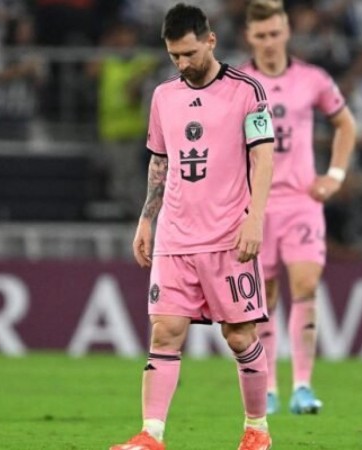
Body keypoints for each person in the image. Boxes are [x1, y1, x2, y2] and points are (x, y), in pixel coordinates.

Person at [110, 4, 275, 450]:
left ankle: (257, 430)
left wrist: (255, 219)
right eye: (173, 56)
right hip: (176, 235)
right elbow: (160, 161)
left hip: (228, 236)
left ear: (210, 40)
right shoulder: (164, 96)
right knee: (164, 331)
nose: (182, 64)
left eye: (188, 53)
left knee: (240, 335)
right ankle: (151, 435)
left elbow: (263, 158)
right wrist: (147, 218)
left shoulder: (248, 90)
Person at [240, 0, 357, 415]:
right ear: (248, 37)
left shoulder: (313, 79)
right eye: (260, 36)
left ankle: (303, 387)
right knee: (264, 299)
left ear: (286, 32)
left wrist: (335, 176)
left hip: (302, 202)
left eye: (274, 33)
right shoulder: (237, 83)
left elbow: (346, 124)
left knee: (306, 286)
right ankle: (269, 390)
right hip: (256, 207)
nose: (269, 43)